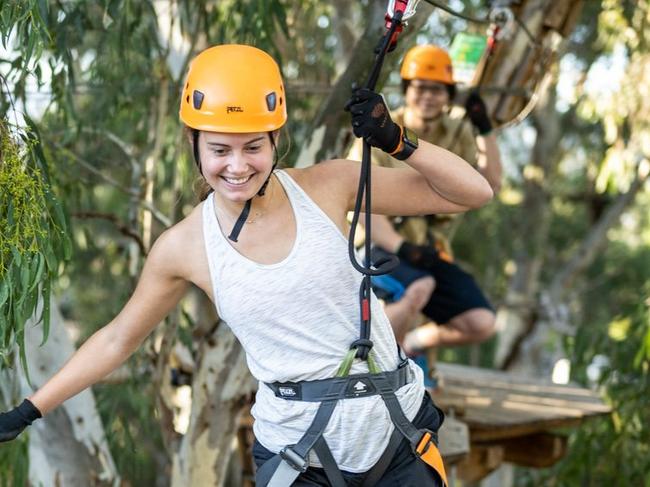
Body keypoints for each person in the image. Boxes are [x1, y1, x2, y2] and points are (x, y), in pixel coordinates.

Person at [0, 44, 492, 485]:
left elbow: (472, 193)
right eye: (219, 150)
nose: (237, 167)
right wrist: (29, 408)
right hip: (300, 459)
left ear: (276, 140)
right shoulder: (185, 247)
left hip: (395, 440)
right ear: (193, 144)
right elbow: (116, 339)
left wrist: (396, 141)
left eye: (253, 147)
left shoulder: (328, 185)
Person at [348, 44, 503, 354]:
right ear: (406, 90)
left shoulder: (456, 134)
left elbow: (490, 186)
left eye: (437, 89)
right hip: (377, 247)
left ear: (448, 96)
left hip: (429, 250)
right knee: (420, 286)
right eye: (420, 88)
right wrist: (403, 248)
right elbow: (362, 204)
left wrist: (484, 129)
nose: (428, 96)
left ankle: (411, 345)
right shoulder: (380, 130)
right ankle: (381, 362)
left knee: (482, 321)